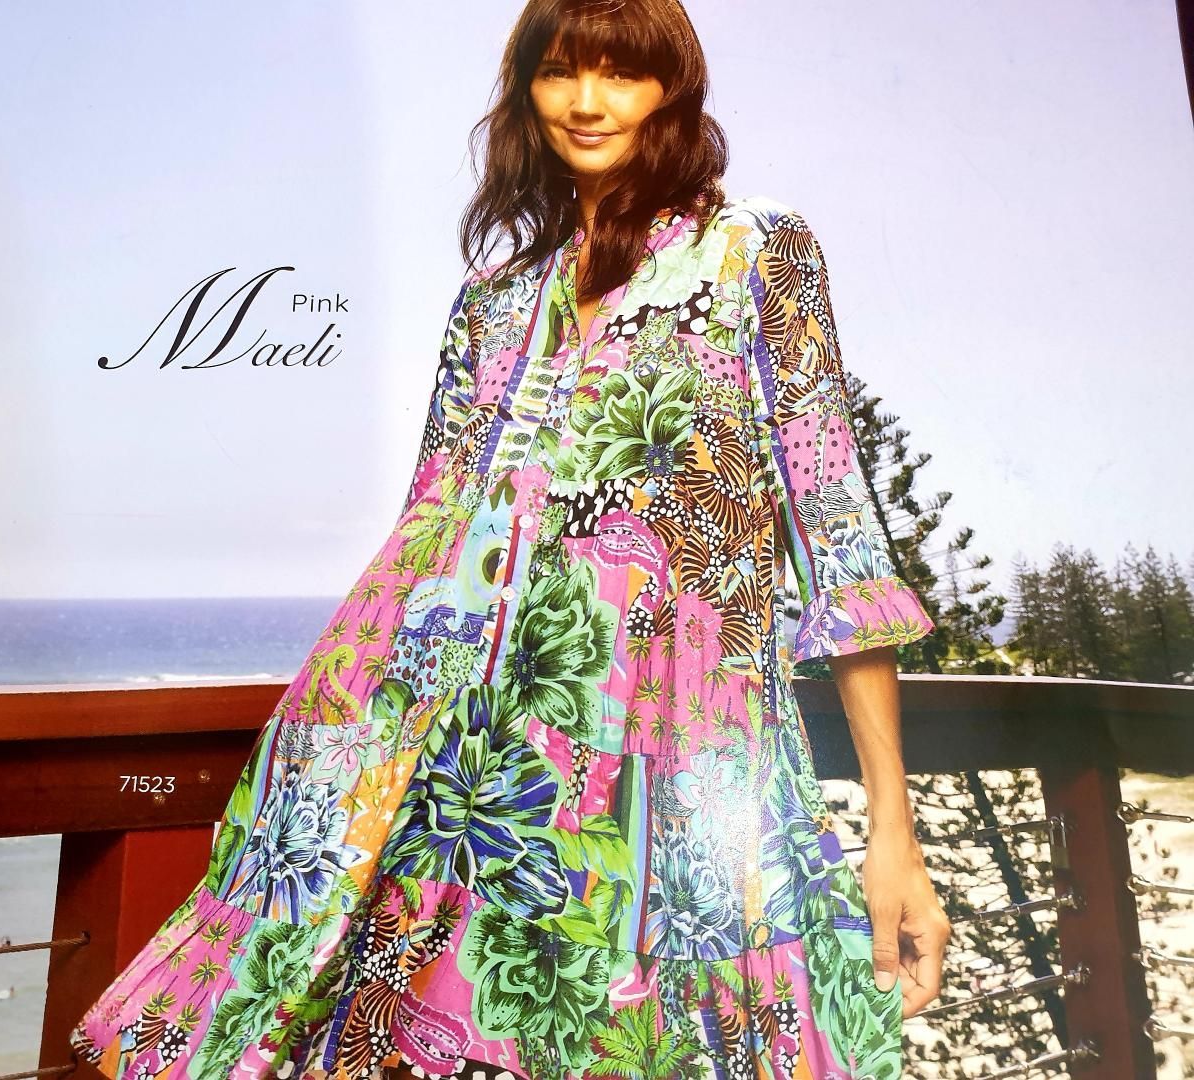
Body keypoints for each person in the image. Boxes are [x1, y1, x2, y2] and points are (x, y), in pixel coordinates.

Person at [71, 1, 951, 1077]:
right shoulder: (491, 307)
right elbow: (422, 556)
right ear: (525, 91)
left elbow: (838, 532)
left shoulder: (754, 254)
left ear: (672, 90)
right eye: (560, 73)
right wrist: (327, 764)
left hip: (687, 778)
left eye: (620, 75)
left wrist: (892, 836)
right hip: (476, 793)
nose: (586, 103)